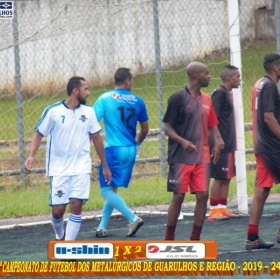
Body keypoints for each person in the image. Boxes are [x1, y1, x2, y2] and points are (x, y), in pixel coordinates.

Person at [24, 76, 112, 241]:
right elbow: (38, 133)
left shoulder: (89, 112)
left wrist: (105, 166)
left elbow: (97, 138)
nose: (89, 92)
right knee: (58, 211)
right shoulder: (53, 112)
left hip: (81, 168)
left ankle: (68, 248)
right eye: (86, 89)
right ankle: (60, 236)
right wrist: (31, 155)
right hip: (59, 169)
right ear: (75, 91)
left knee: (76, 205)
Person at [163, 61, 221, 240]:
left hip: (202, 157)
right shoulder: (178, 98)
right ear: (197, 76)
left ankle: (195, 238)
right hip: (180, 157)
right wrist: (182, 141)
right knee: (178, 196)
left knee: (203, 195)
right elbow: (167, 127)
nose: (210, 76)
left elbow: (212, 127)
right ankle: (169, 238)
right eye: (207, 73)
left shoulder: (207, 99)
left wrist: (217, 142)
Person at [93, 67, 149, 238]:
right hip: (131, 150)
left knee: (105, 190)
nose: (132, 82)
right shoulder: (138, 100)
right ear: (127, 81)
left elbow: (92, 122)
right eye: (132, 79)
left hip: (113, 150)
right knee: (112, 188)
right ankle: (101, 227)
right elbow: (145, 128)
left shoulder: (105, 98)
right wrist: (137, 143)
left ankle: (133, 218)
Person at [246, 54, 280, 250]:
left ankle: (252, 238)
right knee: (261, 191)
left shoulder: (259, 83)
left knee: (262, 190)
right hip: (270, 146)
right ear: (276, 67)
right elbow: (268, 118)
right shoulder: (269, 86)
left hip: (262, 144)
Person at [208, 65, 241, 221]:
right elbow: (211, 118)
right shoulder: (219, 93)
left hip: (229, 141)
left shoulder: (227, 94)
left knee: (227, 176)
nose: (240, 79)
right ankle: (213, 211)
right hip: (221, 143)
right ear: (230, 78)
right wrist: (218, 138)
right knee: (219, 176)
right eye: (238, 76)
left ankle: (222, 207)